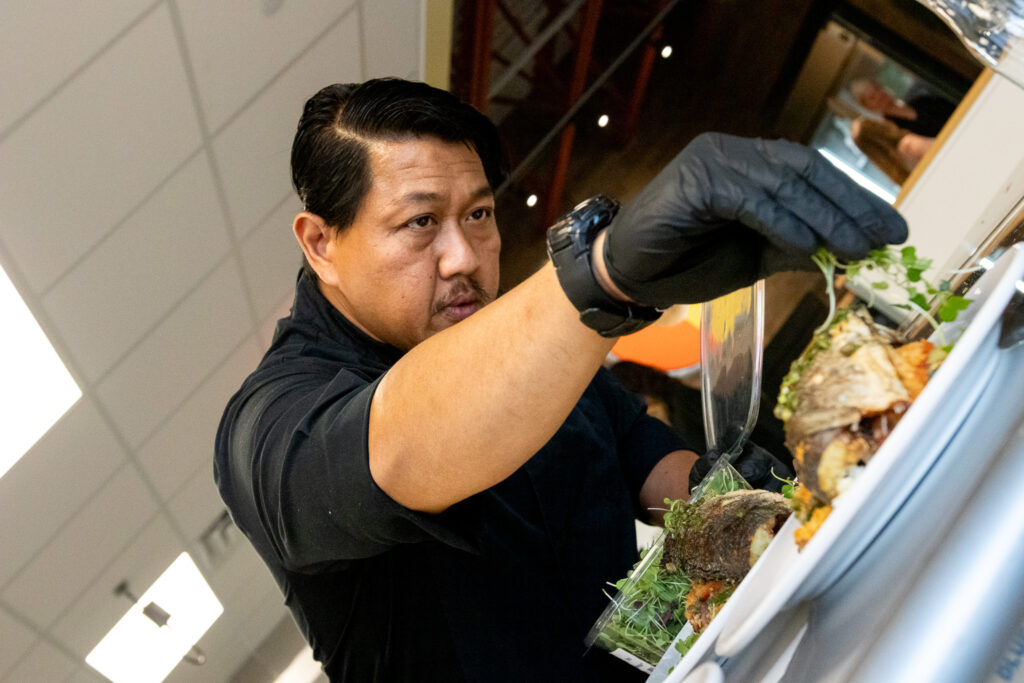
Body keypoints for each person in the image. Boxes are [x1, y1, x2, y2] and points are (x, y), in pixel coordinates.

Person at [214, 78, 907, 682]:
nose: (464, 256)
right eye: (420, 223)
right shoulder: (267, 428)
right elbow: (396, 449)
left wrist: (728, 502)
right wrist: (599, 274)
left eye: (478, 215)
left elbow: (636, 448)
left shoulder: (522, 338)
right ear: (320, 243)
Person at [849, 77, 957, 138]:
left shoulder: (916, 98)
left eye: (876, 89)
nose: (878, 96)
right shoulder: (893, 130)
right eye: (872, 97)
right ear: (868, 107)